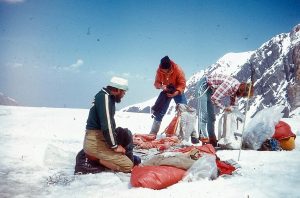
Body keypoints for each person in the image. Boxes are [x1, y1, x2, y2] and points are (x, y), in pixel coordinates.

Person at [76, 76, 140, 174]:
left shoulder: (107, 96)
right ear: (117, 89)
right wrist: (115, 147)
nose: (124, 94)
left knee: (124, 133)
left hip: (99, 139)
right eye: (123, 91)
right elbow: (107, 125)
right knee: (128, 166)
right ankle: (93, 159)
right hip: (96, 141)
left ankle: (99, 156)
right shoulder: (104, 97)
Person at [196, 73, 254, 146]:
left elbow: (234, 103)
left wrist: (234, 112)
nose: (241, 97)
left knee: (211, 117)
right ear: (241, 91)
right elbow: (214, 99)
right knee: (203, 114)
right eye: (243, 95)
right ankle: (203, 138)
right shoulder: (228, 86)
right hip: (204, 86)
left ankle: (211, 138)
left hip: (210, 89)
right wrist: (224, 108)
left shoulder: (237, 87)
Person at [150, 56, 187, 134]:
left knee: (184, 111)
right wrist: (161, 86)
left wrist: (176, 92)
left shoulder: (177, 69)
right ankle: (153, 133)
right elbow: (156, 83)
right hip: (166, 90)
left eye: (166, 71)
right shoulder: (159, 70)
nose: (165, 73)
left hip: (177, 90)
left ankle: (190, 134)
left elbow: (182, 84)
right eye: (164, 71)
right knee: (160, 112)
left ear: (170, 67)